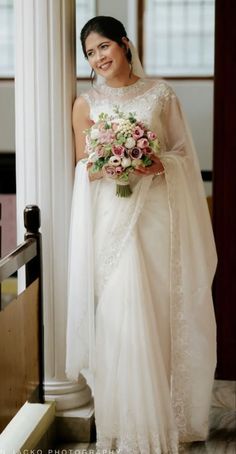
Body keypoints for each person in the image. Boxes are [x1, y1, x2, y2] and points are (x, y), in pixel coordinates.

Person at [66, 16, 217, 454]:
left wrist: (154, 163)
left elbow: (182, 155)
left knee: (156, 310)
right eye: (91, 53)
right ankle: (124, 423)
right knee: (117, 313)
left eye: (104, 47)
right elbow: (83, 165)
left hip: (155, 217)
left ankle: (167, 417)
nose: (99, 58)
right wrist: (109, 163)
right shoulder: (85, 104)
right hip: (111, 220)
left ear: (125, 44)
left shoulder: (161, 95)